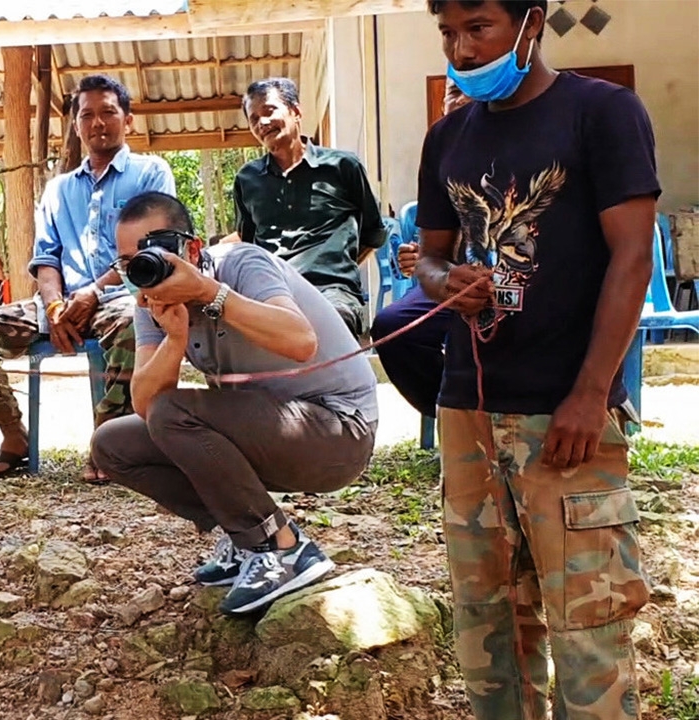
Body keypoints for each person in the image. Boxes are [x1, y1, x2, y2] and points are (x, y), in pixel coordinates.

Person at [416, 2, 658, 717]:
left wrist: (590, 394)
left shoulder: (602, 114)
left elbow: (632, 257)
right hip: (468, 412)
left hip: (565, 410)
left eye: (478, 27)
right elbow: (429, 256)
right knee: (488, 623)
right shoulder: (446, 137)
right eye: (447, 33)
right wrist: (443, 281)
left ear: (532, 21)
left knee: (588, 622)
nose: (461, 50)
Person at [92, 191, 378, 615]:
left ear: (190, 247)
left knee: (174, 412)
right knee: (113, 444)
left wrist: (210, 292)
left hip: (338, 431)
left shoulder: (241, 263)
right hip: (267, 431)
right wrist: (174, 339)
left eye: (152, 251)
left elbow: (300, 341)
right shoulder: (150, 302)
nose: (142, 269)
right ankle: (247, 537)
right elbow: (144, 403)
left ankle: (283, 549)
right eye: (128, 263)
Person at [0, 74, 176, 482]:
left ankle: (109, 442)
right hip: (62, 304)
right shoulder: (58, 190)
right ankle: (13, 438)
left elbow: (154, 250)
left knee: (132, 322)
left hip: (124, 296)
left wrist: (93, 292)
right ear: (75, 126)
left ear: (128, 119)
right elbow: (46, 257)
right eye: (87, 115)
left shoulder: (150, 173)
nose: (98, 123)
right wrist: (53, 304)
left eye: (108, 112)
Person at [233, 77, 387, 339]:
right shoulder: (246, 180)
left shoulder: (343, 167)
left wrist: (335, 264)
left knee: (329, 324)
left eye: (269, 111)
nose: (262, 123)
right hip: (272, 292)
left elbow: (372, 234)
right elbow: (251, 246)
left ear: (296, 111)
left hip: (332, 292)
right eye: (253, 119)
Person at [369, 79, 472, 418]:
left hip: (514, 279)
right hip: (453, 283)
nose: (460, 101)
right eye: (452, 93)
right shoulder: (440, 154)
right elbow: (435, 246)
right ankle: (452, 410)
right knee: (392, 328)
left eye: (469, 91)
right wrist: (420, 259)